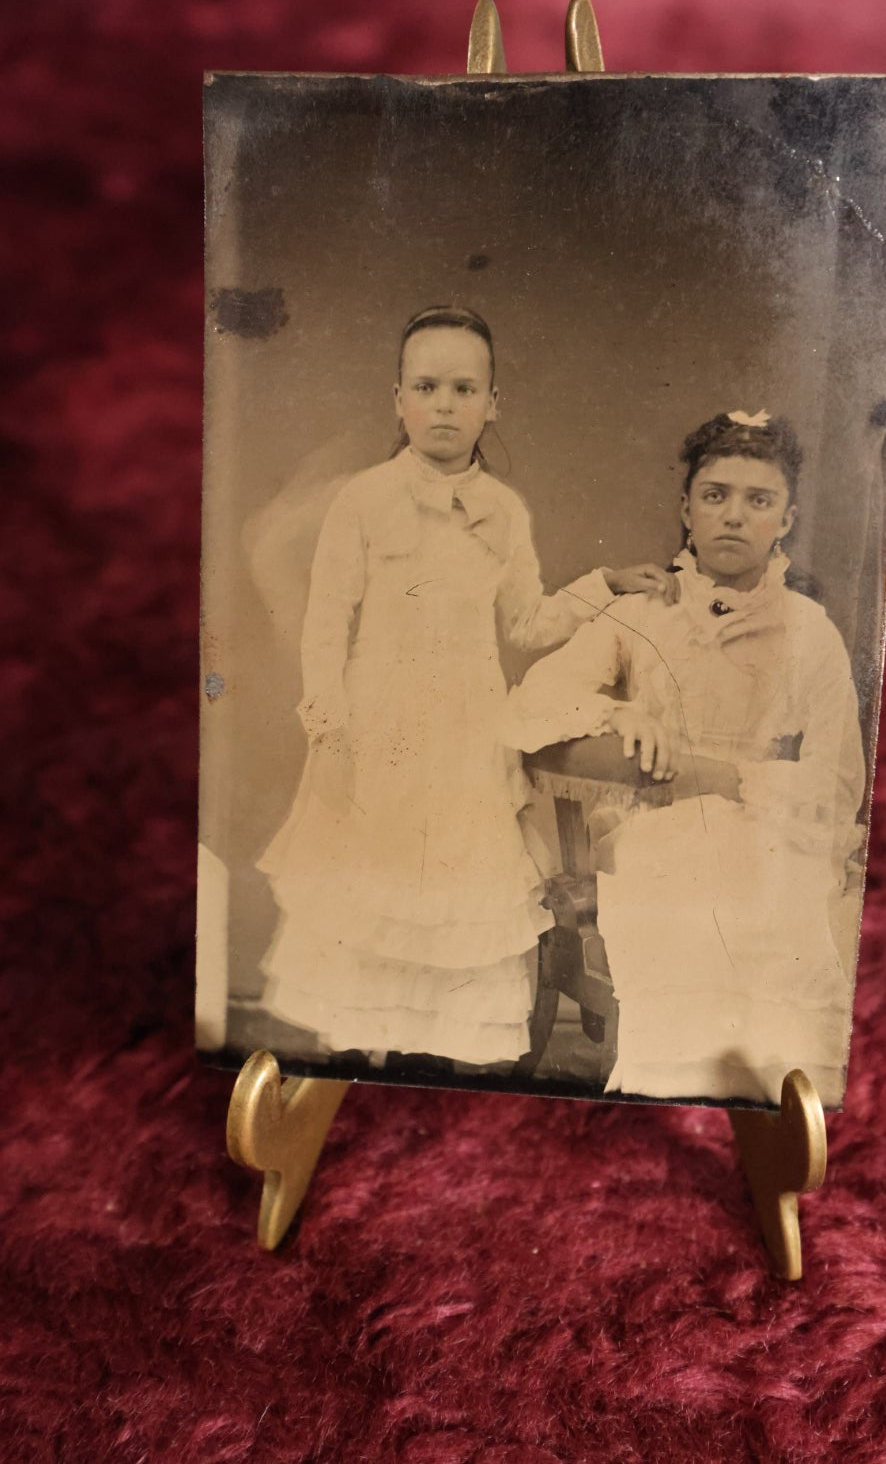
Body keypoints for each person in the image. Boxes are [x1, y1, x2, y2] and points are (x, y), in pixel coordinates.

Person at [257, 306, 676, 1068]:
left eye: (463, 387)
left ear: (492, 402)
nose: (445, 404)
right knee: (375, 898)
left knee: (453, 900)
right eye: (426, 386)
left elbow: (526, 622)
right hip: (379, 732)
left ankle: (431, 1069)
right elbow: (326, 625)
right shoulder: (363, 501)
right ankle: (365, 1064)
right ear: (398, 400)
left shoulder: (503, 512)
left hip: (465, 739)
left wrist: (606, 583)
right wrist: (333, 730)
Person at [504, 410, 866, 1105]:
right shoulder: (644, 612)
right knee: (681, 877)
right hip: (652, 826)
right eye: (715, 495)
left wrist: (728, 779)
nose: (733, 516)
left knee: (787, 899)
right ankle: (667, 1094)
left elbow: (838, 782)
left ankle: (769, 1101)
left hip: (764, 824)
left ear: (786, 519)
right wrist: (620, 711)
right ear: (687, 509)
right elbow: (532, 703)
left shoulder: (809, 632)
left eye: (758, 501)